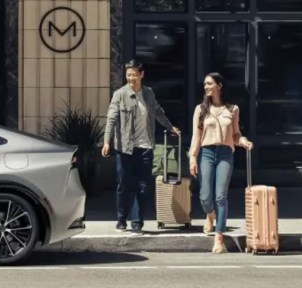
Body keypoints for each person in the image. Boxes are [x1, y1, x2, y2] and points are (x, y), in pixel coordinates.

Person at [102, 60, 181, 236]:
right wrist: (107, 141)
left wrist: (170, 127)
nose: (131, 78)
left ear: (142, 75)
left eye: (134, 75)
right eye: (128, 75)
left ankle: (137, 222)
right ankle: (122, 219)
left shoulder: (149, 93)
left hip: (145, 147)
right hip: (125, 148)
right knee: (124, 184)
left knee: (142, 185)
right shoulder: (119, 94)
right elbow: (111, 119)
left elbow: (158, 112)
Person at [188, 72, 253, 254]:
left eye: (210, 84)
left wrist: (244, 141)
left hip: (225, 153)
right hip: (207, 153)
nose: (206, 87)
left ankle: (219, 238)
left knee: (220, 197)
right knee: (205, 196)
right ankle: (210, 215)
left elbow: (236, 134)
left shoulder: (232, 110)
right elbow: (196, 136)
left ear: (219, 86)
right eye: (205, 85)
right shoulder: (200, 110)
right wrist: (193, 157)